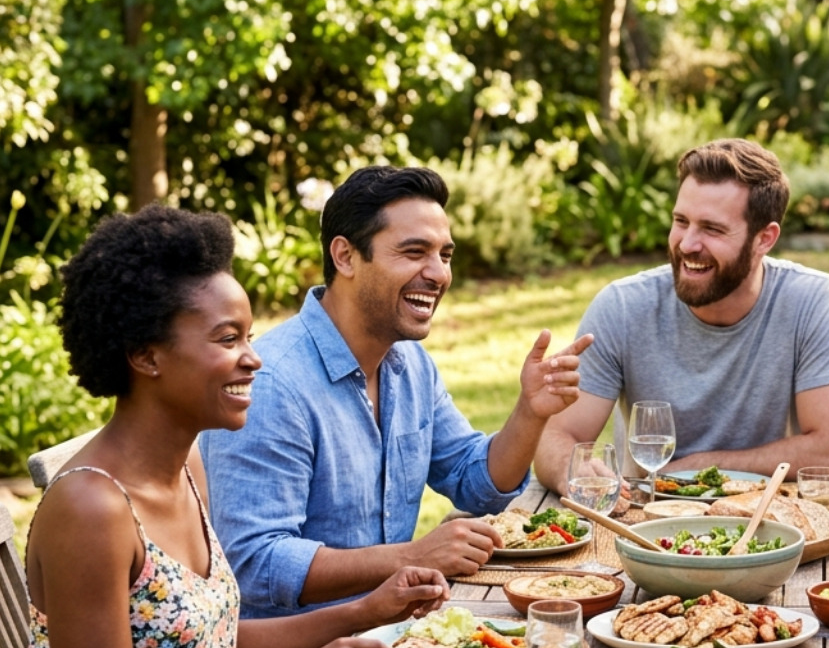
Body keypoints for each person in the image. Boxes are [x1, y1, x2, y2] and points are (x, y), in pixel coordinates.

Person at [9, 206, 449, 648]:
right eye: (226, 339)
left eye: (248, 335)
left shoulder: (189, 469)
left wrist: (367, 610)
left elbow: (212, 644)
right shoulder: (90, 508)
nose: (254, 357)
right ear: (145, 355)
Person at [201, 166, 591, 618]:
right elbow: (254, 564)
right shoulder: (273, 385)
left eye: (445, 255)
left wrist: (530, 411)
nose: (439, 274)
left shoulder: (409, 365)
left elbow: (476, 484)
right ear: (345, 256)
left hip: (392, 638)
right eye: (414, 252)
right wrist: (412, 556)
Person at [533, 138, 829, 495]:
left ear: (764, 239)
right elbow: (556, 437)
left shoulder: (810, 300)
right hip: (647, 517)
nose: (687, 243)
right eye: (681, 221)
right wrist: (579, 471)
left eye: (712, 229)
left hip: (770, 521)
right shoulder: (623, 306)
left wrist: (696, 469)